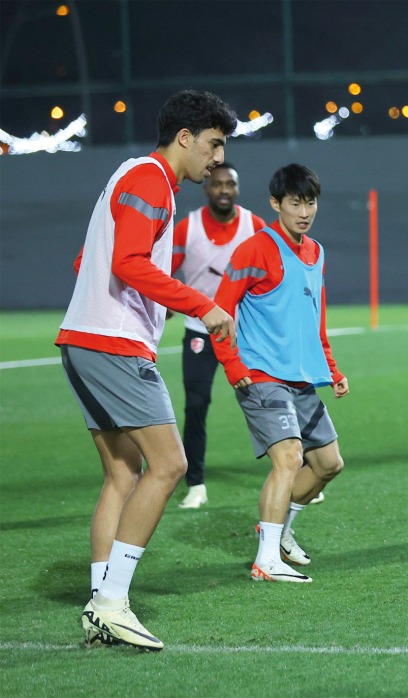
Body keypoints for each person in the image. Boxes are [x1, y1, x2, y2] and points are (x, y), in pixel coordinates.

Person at [59, 90, 238, 650]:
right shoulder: (151, 180)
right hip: (112, 345)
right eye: (213, 145)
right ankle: (113, 604)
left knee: (122, 475)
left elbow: (89, 260)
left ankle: (99, 602)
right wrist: (201, 305)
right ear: (184, 138)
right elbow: (127, 261)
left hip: (85, 339)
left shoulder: (132, 176)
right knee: (170, 465)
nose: (216, 160)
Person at [212, 163, 348, 583]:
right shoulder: (255, 250)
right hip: (260, 374)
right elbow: (218, 313)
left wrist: (332, 367)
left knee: (328, 463)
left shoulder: (316, 251)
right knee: (289, 458)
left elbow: (315, 318)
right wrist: (234, 367)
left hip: (302, 376)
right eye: (295, 203)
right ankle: (265, 559)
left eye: (310, 203)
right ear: (275, 204)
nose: (304, 211)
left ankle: (281, 532)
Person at [171, 162, 265, 509]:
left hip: (244, 335)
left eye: (231, 184)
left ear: (237, 189)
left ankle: (298, 472)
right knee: (196, 405)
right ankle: (195, 484)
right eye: (218, 184)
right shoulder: (188, 228)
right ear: (206, 188)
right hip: (200, 331)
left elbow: (269, 271)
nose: (224, 190)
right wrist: (166, 303)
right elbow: (163, 271)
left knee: (268, 401)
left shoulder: (254, 225)